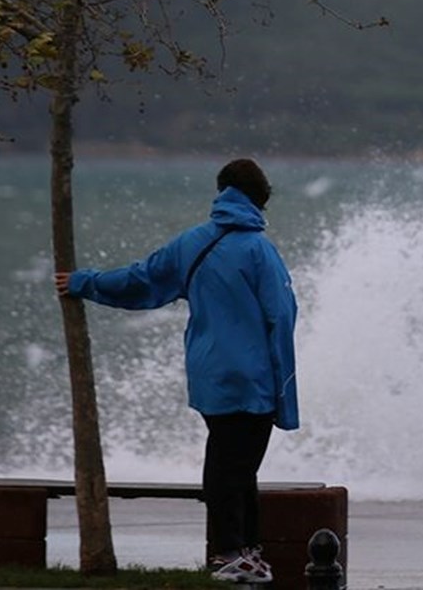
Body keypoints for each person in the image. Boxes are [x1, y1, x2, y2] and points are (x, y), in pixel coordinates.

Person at [54, 158, 298, 584]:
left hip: (208, 373)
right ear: (260, 199)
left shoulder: (192, 242)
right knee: (235, 467)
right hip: (251, 377)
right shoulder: (259, 250)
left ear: (222, 192)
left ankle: (244, 552)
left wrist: (85, 282)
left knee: (231, 461)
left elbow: (140, 280)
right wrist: (286, 393)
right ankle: (230, 555)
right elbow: (282, 316)